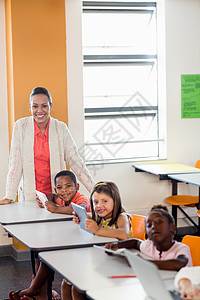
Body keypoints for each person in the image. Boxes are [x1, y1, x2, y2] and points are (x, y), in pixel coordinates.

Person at [0, 86, 94, 205]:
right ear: (30, 107)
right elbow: (15, 164)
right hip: (30, 196)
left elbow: (75, 161)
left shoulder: (61, 128)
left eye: (44, 106)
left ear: (50, 106)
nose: (40, 110)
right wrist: (9, 195)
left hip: (57, 196)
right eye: (35, 106)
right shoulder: (20, 127)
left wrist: (95, 189)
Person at [9, 170, 90, 300]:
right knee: (41, 254)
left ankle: (33, 290)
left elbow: (80, 208)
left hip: (83, 246)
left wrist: (56, 209)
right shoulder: (63, 199)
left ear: (77, 187)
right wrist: (46, 201)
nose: (64, 191)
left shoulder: (81, 198)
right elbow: (53, 197)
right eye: (59, 187)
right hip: (72, 240)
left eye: (68, 186)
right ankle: (38, 291)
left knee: (48, 257)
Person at [62, 181, 133, 300]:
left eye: (104, 201)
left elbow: (124, 234)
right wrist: (82, 217)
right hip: (99, 259)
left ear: (115, 201)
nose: (99, 205)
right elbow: (89, 215)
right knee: (67, 283)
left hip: (117, 264)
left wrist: (98, 230)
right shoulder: (100, 217)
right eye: (95, 202)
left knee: (77, 288)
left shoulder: (121, 217)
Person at [106, 205, 193, 271]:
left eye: (159, 222)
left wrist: (144, 263)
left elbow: (179, 264)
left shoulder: (181, 248)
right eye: (149, 225)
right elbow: (135, 243)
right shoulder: (149, 246)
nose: (154, 227)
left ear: (172, 228)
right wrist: (116, 245)